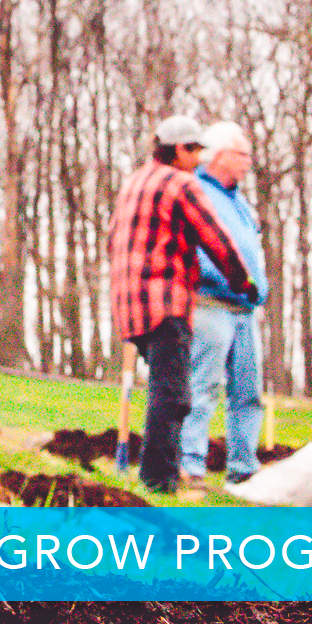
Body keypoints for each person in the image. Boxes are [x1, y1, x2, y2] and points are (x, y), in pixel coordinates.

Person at [107, 115, 258, 493]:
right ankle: (160, 480)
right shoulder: (181, 183)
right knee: (173, 394)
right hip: (165, 303)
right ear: (178, 150)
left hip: (130, 305)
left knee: (166, 387)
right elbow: (216, 240)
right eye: (194, 151)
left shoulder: (134, 181)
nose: (198, 159)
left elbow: (113, 237)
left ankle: (159, 473)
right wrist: (245, 283)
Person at [178, 122, 268, 487]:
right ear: (221, 156)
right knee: (203, 386)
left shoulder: (241, 203)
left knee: (248, 392)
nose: (249, 162)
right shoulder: (196, 190)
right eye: (243, 154)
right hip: (209, 304)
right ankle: (190, 463)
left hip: (244, 310)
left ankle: (244, 466)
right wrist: (221, 277)